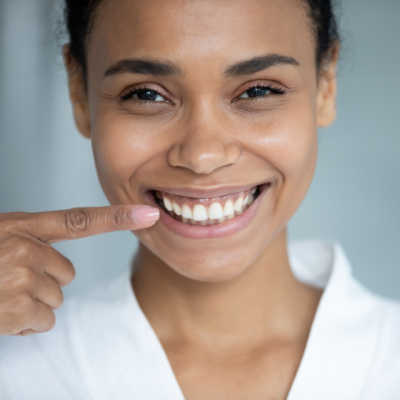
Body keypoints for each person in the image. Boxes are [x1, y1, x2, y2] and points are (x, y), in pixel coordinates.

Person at [0, 0, 399, 398]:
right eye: (146, 95)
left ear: (325, 84)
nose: (202, 156)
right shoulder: (16, 370)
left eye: (258, 90)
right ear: (79, 92)